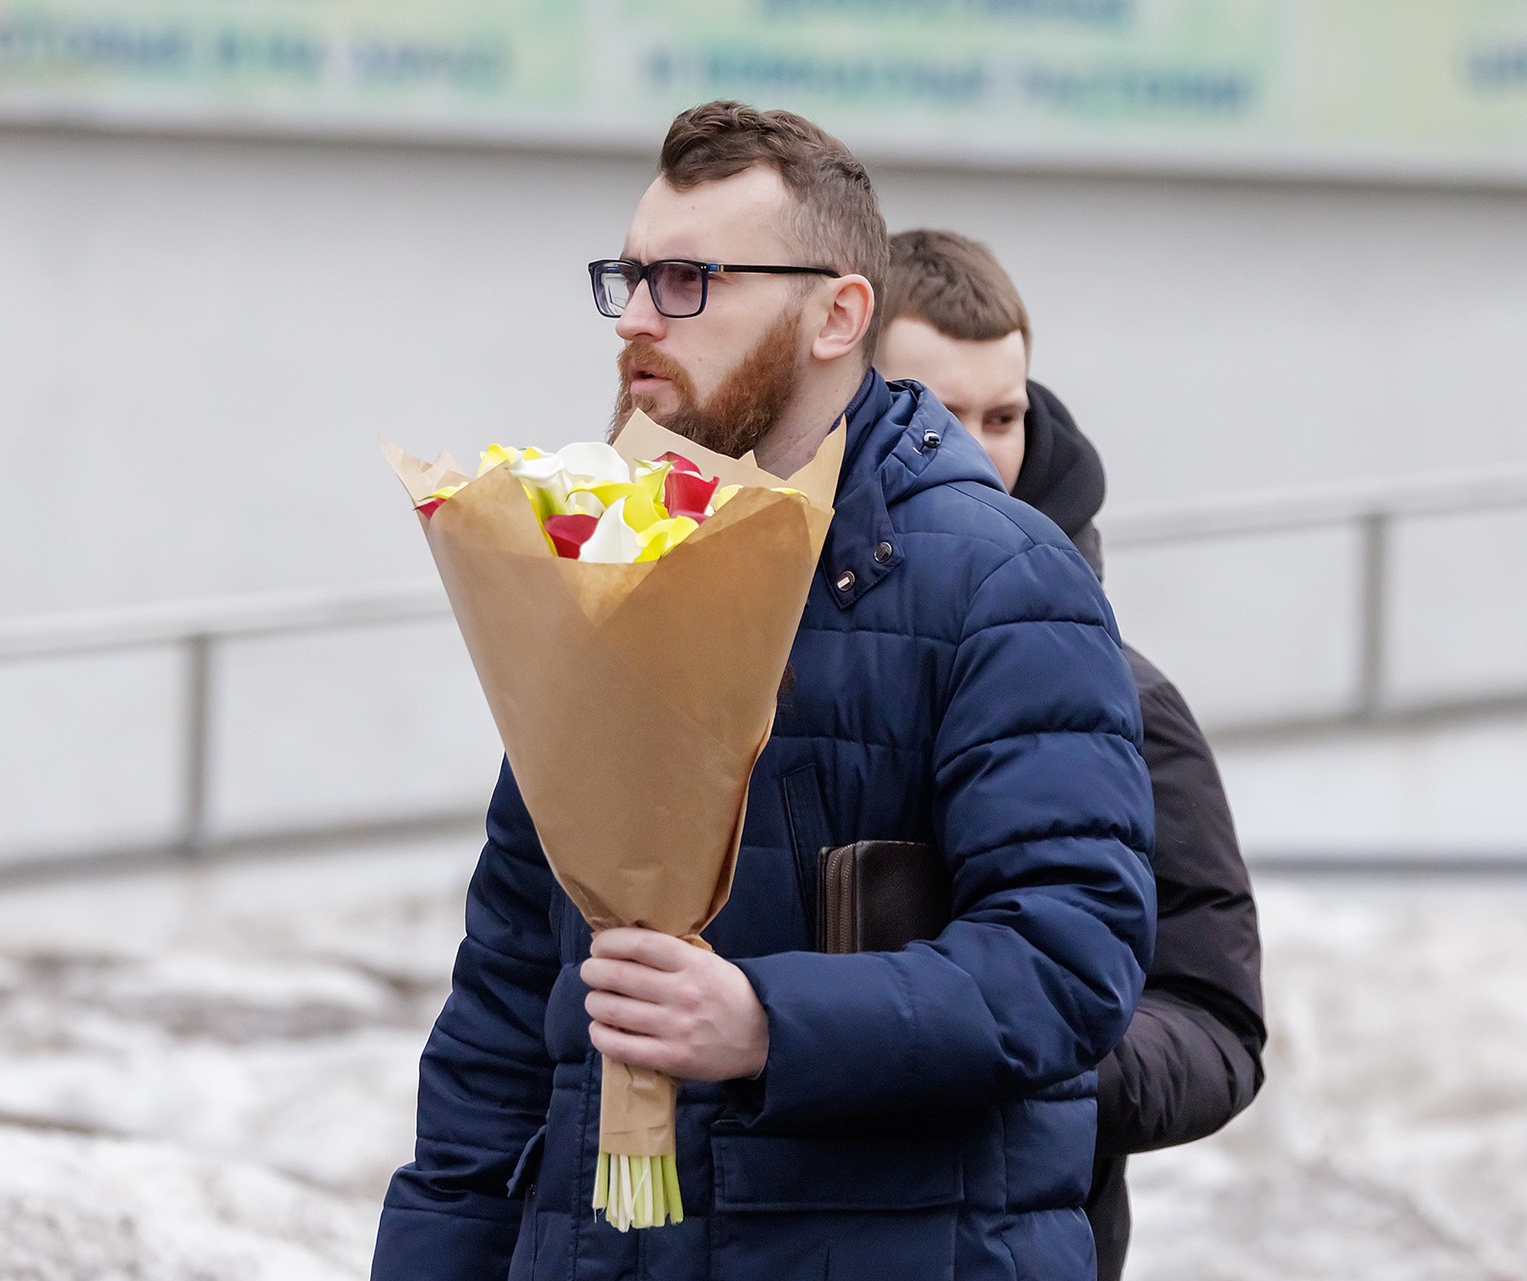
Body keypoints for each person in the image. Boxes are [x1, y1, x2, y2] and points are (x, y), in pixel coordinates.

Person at [375, 101, 1156, 1281]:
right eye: (629, 277)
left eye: (689, 279)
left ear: (840, 313)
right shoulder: (596, 561)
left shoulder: (1002, 578)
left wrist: (766, 1024)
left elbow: (1069, 960)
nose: (638, 319)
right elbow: (500, 1014)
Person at [875, 228, 1268, 1281]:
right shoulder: (761, 652)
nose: (975, 447)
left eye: (1002, 416)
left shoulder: (1129, 697)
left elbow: (1217, 1023)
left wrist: (1035, 1060)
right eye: (935, 412)